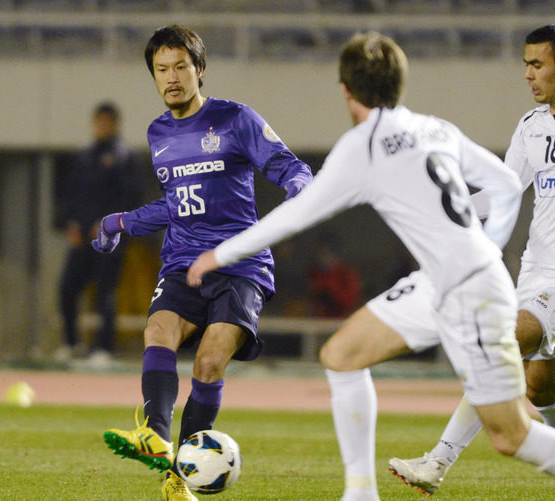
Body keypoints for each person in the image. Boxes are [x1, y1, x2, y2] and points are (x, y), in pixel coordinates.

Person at [187, 31, 555, 501]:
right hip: (443, 284)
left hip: (470, 292)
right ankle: (360, 494)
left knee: (510, 435)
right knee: (341, 355)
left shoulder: (363, 146)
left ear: (346, 90)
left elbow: (297, 214)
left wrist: (219, 255)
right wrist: (485, 248)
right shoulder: (433, 128)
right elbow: (505, 185)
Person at [91, 25, 312, 501]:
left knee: (209, 363)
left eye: (180, 67)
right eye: (161, 70)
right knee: (158, 331)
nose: (171, 78)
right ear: (154, 76)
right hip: (183, 259)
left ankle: (178, 476)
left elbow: (289, 165)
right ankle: (154, 434)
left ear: (200, 69)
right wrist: (121, 222)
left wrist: (299, 186)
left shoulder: (235, 119)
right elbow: (177, 204)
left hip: (240, 264)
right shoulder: (158, 134)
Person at [387, 24, 555, 496]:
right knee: (540, 388)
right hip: (535, 271)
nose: (527, 74)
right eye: (526, 64)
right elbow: (504, 191)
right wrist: (443, 205)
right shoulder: (532, 126)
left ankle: (437, 461)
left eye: (537, 64)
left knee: (499, 344)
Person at [56, 101, 143, 368]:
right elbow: (71, 194)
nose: (102, 127)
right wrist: (71, 223)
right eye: (98, 122)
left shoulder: (124, 156)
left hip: (109, 239)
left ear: (115, 124)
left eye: (107, 122)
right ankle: (71, 344)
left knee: (105, 291)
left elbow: (130, 198)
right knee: (67, 288)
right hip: (82, 238)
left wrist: (107, 225)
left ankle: (103, 348)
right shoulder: (85, 156)